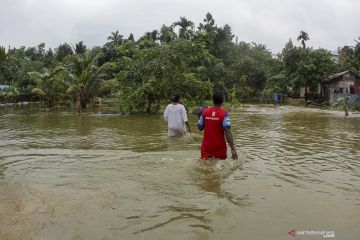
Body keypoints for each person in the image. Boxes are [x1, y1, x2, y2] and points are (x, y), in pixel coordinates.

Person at [198, 91, 238, 160]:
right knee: (220, 168)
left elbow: (199, 127)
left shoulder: (205, 112)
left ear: (212, 99)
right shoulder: (224, 114)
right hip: (220, 148)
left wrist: (199, 117)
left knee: (204, 167)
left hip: (206, 148)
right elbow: (227, 132)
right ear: (223, 101)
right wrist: (233, 149)